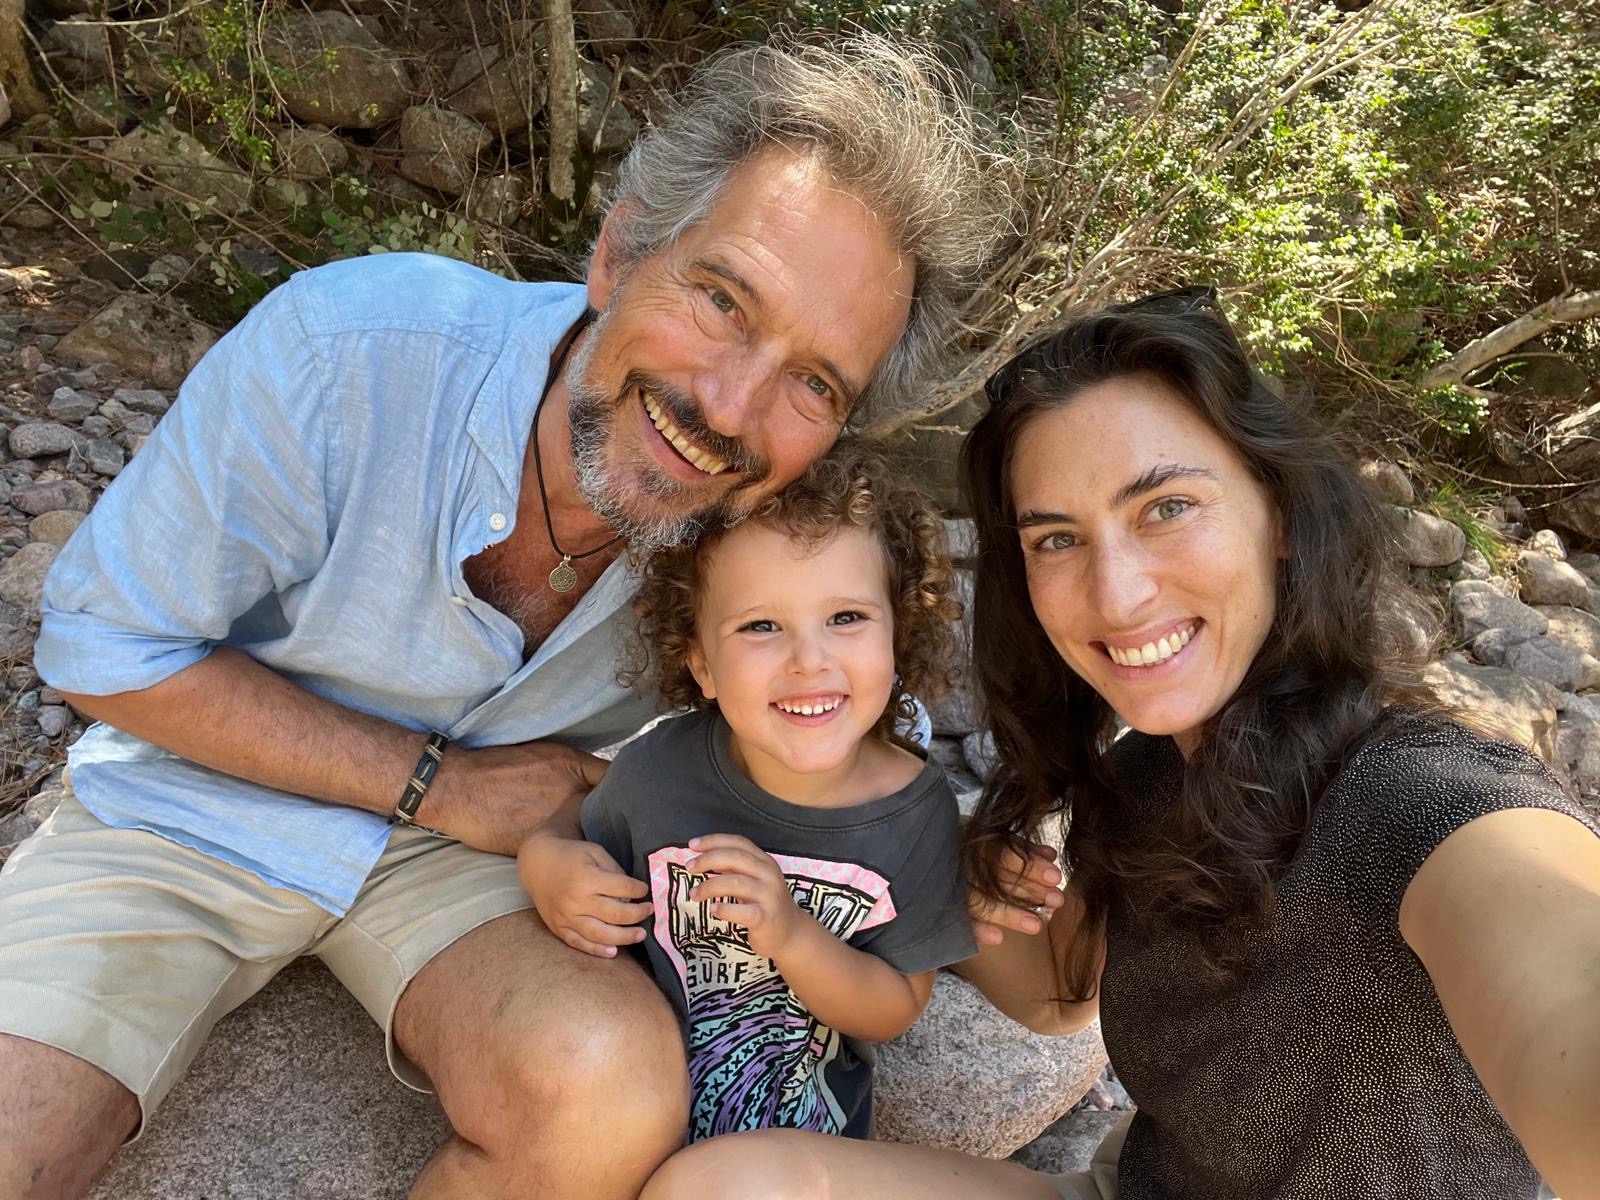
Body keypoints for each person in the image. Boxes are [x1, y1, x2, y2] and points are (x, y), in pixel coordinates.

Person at [0, 37, 1006, 1200]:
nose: (731, 409)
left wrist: (975, 850)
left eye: (815, 382)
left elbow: (837, 697)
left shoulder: (757, 523)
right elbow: (103, 647)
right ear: (618, 252)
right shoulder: (349, 351)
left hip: (478, 866)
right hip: (199, 792)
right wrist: (441, 785)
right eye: (723, 300)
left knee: (606, 1089)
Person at [638, 290, 1600, 1200]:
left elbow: (1563, 987)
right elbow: (1056, 1000)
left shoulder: (1434, 800)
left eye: (1166, 508)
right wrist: (941, 864)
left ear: (1279, 512)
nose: (1117, 592)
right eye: (1057, 539)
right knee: (722, 1186)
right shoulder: (1148, 772)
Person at [521, 441, 976, 1142]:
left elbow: (894, 1007)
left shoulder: (916, 814)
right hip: (629, 1117)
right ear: (701, 664)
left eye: (846, 618)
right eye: (761, 626)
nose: (809, 661)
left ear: (898, 632)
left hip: (795, 1148)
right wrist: (546, 863)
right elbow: (571, 827)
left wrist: (792, 935)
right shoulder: (660, 772)